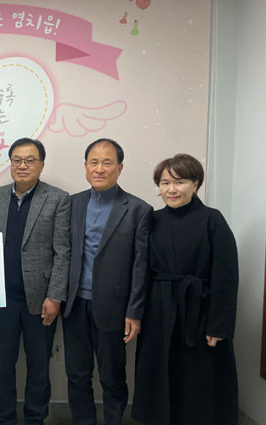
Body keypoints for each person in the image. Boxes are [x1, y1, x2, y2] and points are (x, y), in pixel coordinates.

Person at [132, 154, 239, 425]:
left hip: (199, 311)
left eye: (179, 182)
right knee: (159, 376)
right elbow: (140, 269)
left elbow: (226, 277)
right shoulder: (151, 219)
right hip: (158, 311)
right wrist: (136, 313)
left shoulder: (213, 220)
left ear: (196, 183)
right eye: (164, 183)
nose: (171, 189)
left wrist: (219, 326)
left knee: (197, 379)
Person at [63, 138, 152, 425]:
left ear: (120, 168)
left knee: (112, 377)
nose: (99, 169)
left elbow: (141, 266)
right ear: (85, 166)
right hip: (74, 304)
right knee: (76, 374)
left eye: (107, 163)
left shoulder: (138, 209)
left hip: (115, 307)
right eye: (94, 162)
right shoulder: (72, 203)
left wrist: (134, 311)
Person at [0, 137, 70, 425]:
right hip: (1, 299)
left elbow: (62, 252)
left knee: (39, 367)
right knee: (2, 367)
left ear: (41, 164)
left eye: (30, 160)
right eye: (17, 160)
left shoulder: (57, 198)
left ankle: (35, 418)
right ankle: (4, 418)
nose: (22, 165)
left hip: (41, 299)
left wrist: (55, 296)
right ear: (10, 164)